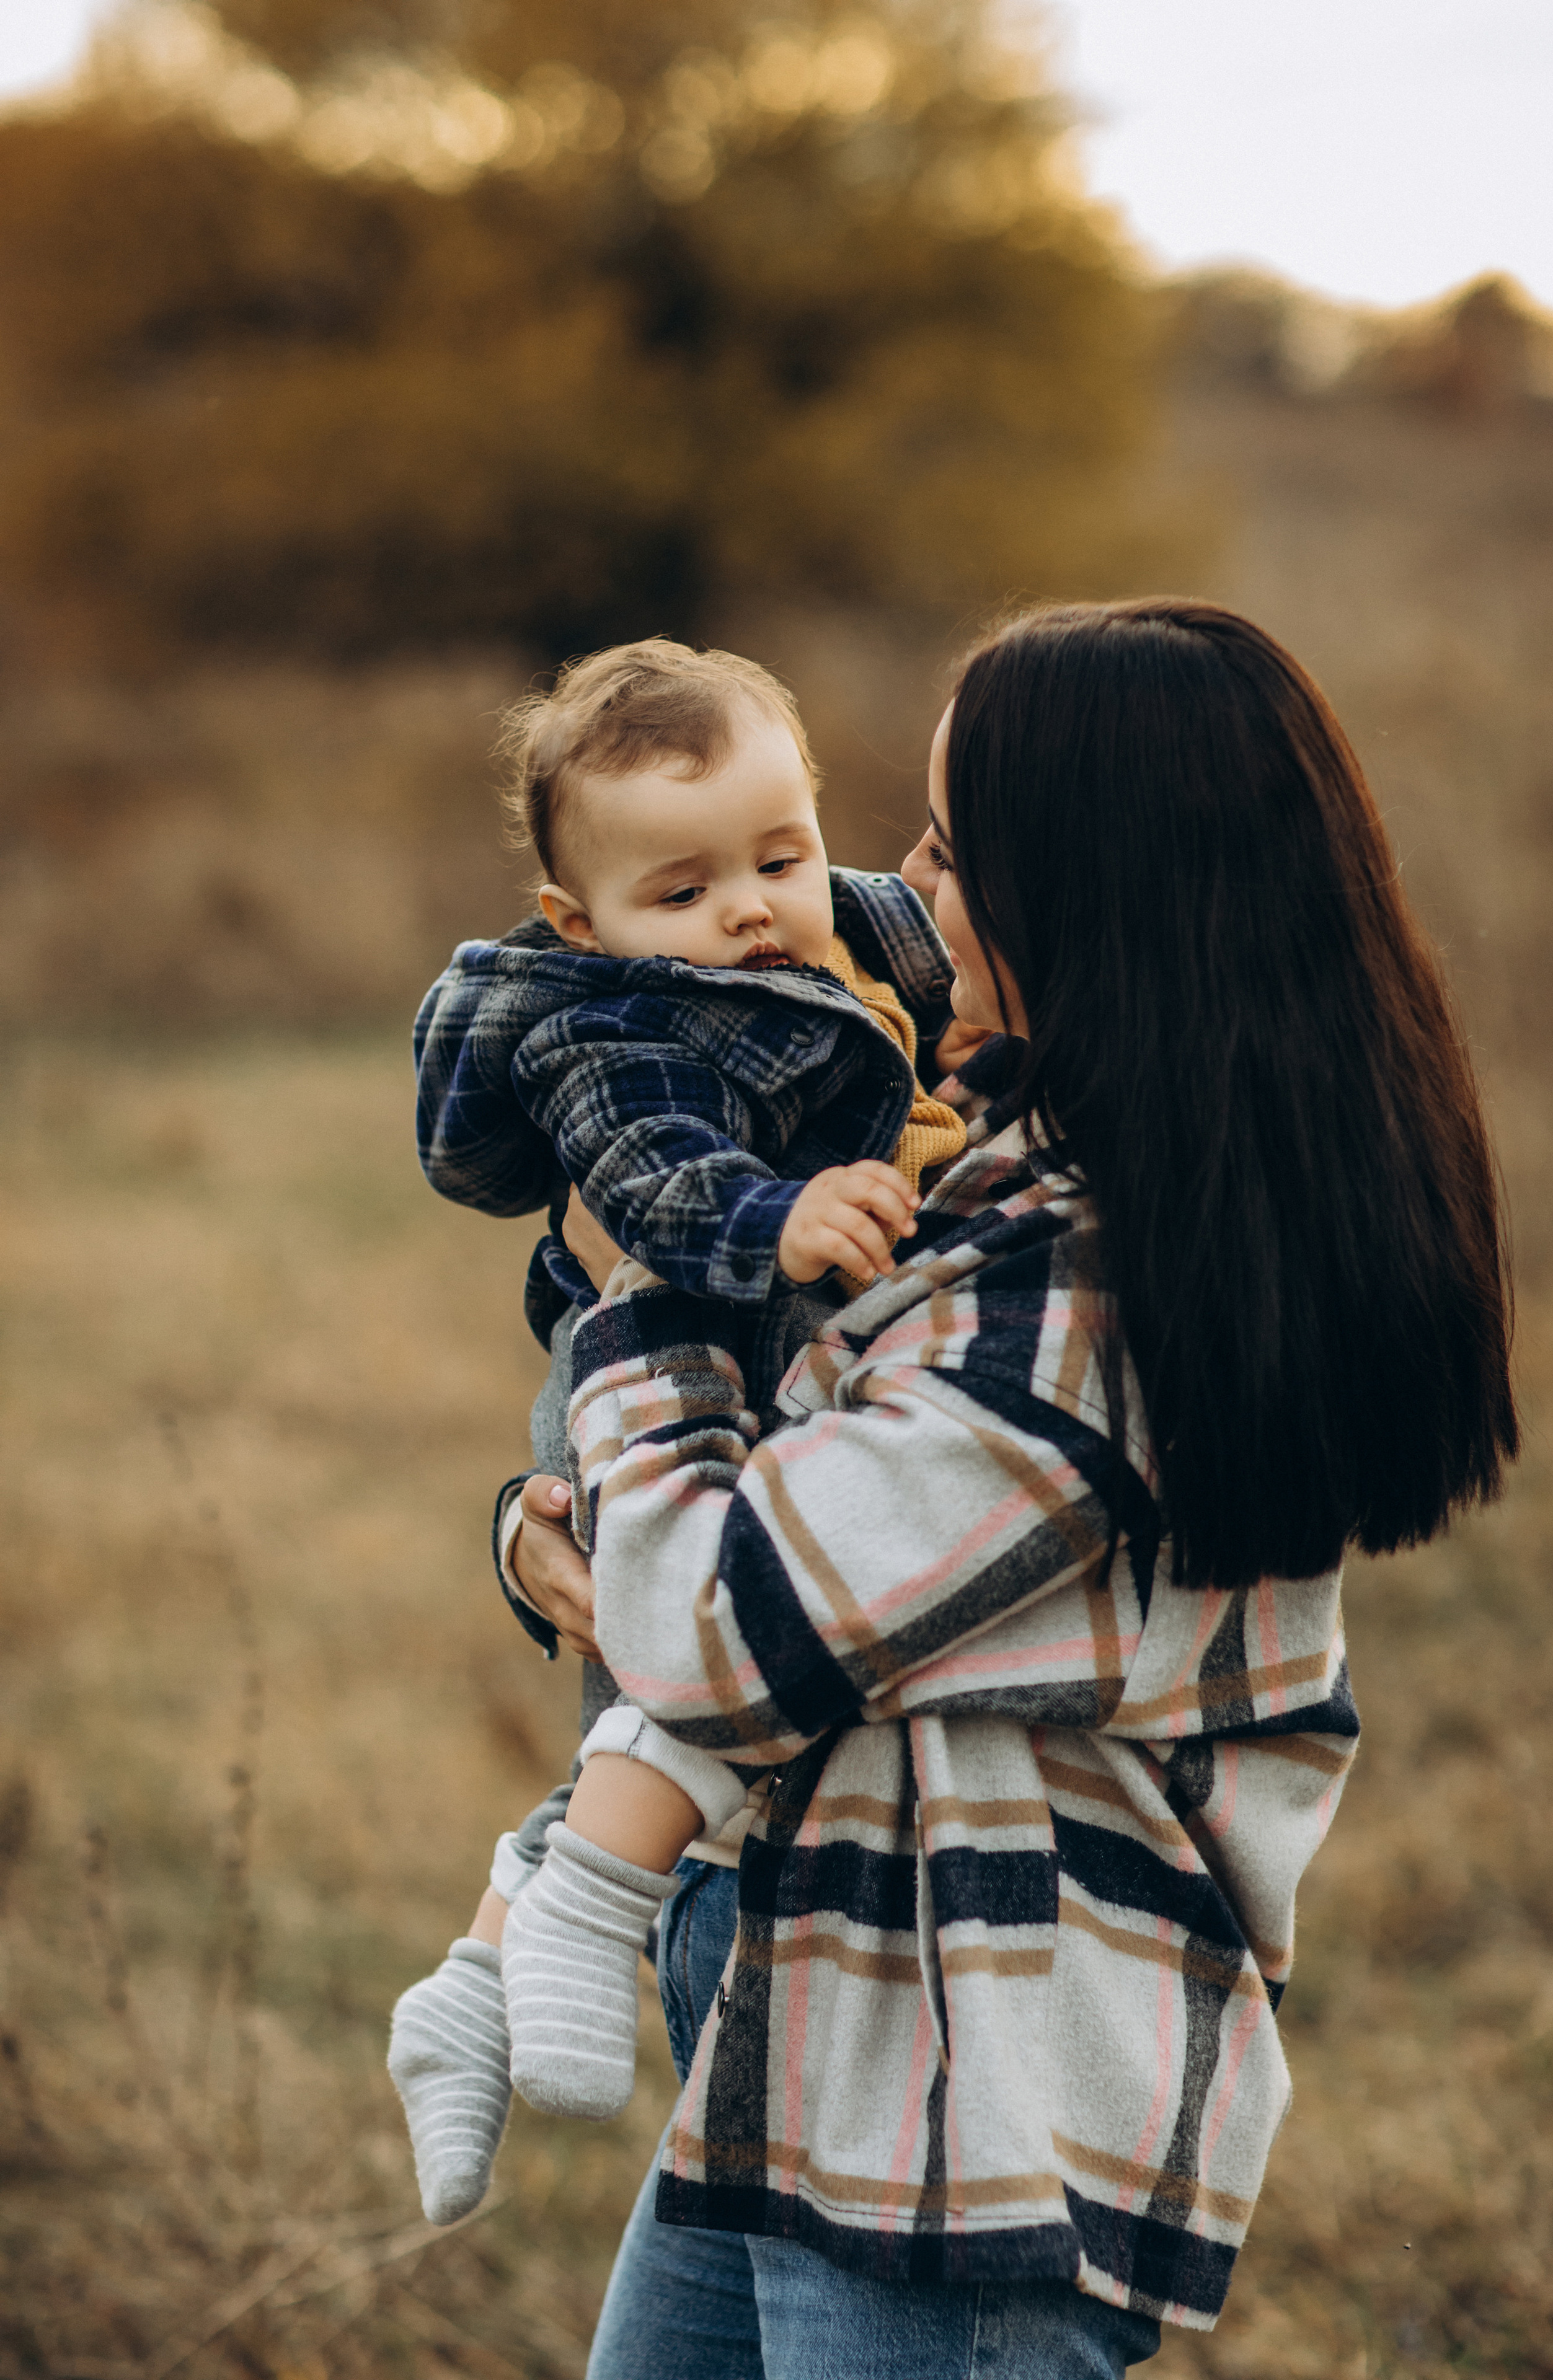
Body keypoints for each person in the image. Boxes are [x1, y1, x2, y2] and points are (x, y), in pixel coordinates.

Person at [504, 599, 1519, 2377]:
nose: (898, 881)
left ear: (1088, 894)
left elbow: (717, 1633)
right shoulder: (1001, 1156)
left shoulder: (1088, 1295)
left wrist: (639, 1287)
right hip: (818, 2038)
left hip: (967, 2139)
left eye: (952, 847)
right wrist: (539, 1537)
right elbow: (772, 1495)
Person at [389, 640, 982, 2223]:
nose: (748, 910)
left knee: (664, 1680)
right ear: (580, 924)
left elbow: (932, 971)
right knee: (675, 1652)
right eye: (683, 890)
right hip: (665, 1351)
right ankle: (584, 1902)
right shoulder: (606, 1021)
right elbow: (649, 1178)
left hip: (723, 1387)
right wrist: (779, 1215)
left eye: (781, 855)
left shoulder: (834, 923)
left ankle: (483, 1967)